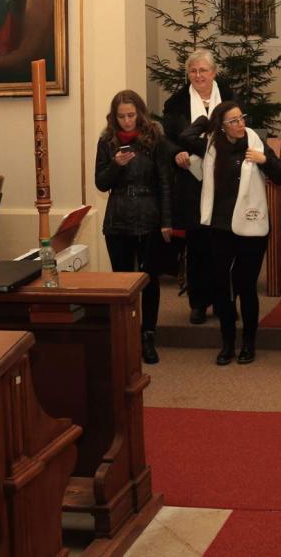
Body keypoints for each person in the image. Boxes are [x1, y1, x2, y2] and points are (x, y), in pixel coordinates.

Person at [183, 101, 281, 365]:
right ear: (222, 126)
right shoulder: (211, 145)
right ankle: (227, 344)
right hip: (220, 227)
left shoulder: (254, 142)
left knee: (246, 285)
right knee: (223, 287)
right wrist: (206, 118)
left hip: (252, 227)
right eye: (233, 121)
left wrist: (264, 160)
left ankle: (249, 343)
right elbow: (185, 137)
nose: (240, 124)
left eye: (241, 118)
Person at [94, 90, 173, 365]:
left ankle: (148, 335)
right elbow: (101, 183)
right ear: (114, 117)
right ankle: (126, 334)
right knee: (122, 281)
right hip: (118, 218)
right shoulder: (107, 140)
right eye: (121, 116)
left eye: (131, 115)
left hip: (149, 215)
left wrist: (167, 221)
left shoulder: (154, 138)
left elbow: (164, 182)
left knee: (149, 279)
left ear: (139, 113)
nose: (127, 121)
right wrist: (116, 165)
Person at [161, 49, 232, 325]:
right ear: (187, 74)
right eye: (193, 71)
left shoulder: (229, 97)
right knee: (198, 246)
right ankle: (199, 303)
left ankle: (224, 303)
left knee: (224, 246)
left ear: (214, 72)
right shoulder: (175, 102)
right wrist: (176, 153)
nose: (199, 75)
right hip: (191, 180)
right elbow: (168, 139)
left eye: (203, 70)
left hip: (224, 180)